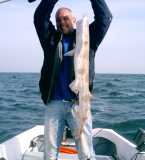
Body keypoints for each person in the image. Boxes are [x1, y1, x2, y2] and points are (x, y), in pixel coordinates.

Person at [33, 0, 112, 159]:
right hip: (54, 104)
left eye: (66, 18)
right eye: (58, 20)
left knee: (86, 152)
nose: (62, 22)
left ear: (74, 19)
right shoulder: (50, 40)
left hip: (79, 103)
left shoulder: (89, 38)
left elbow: (105, 17)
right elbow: (39, 17)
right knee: (49, 153)